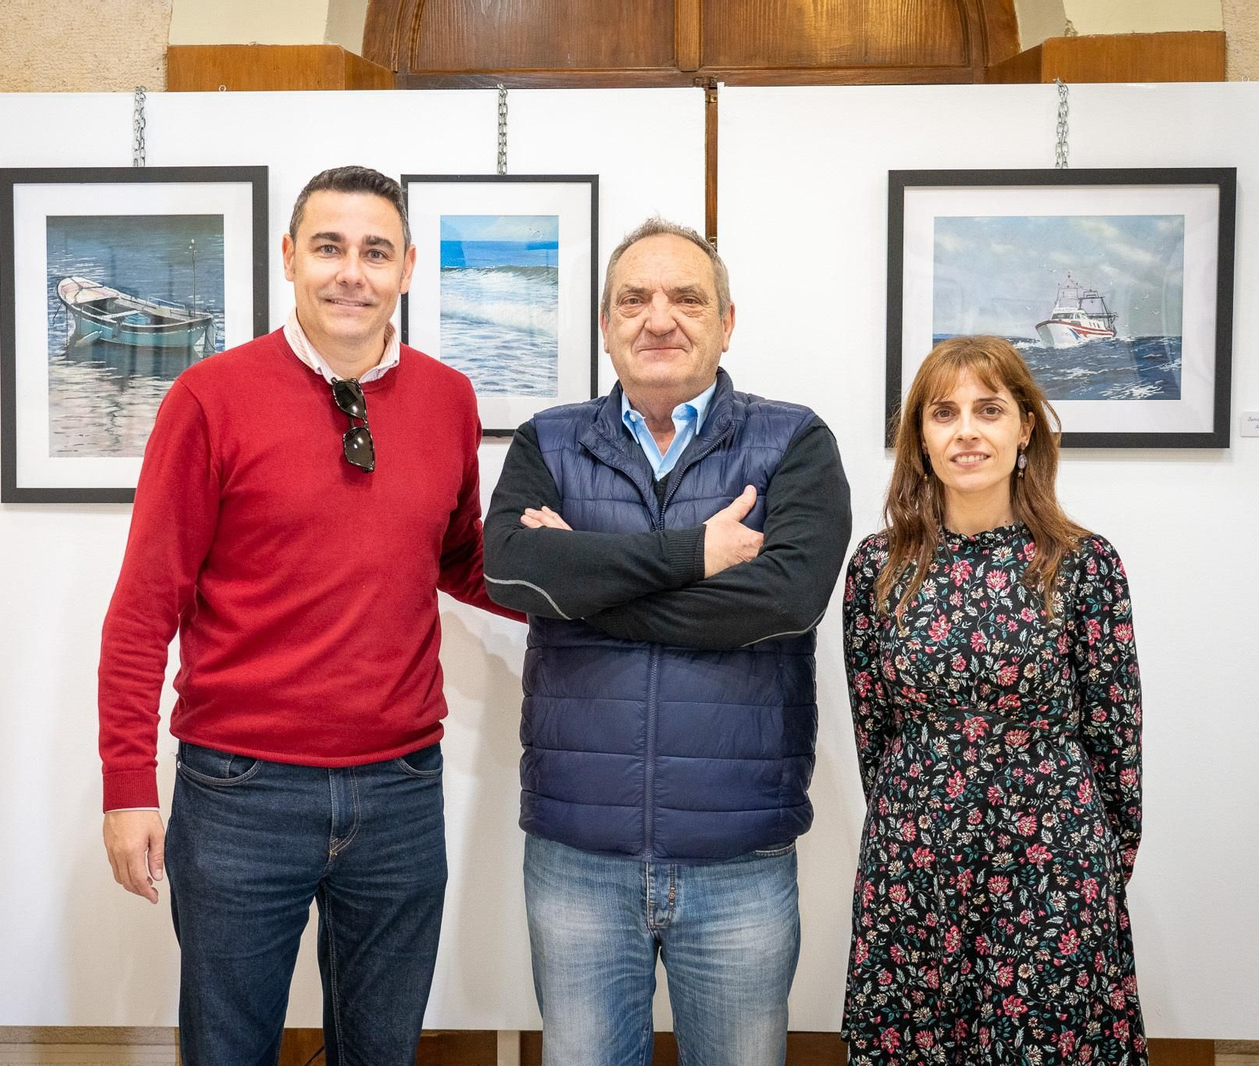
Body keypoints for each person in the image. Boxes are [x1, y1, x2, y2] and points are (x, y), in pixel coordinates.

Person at [97, 165, 521, 1066]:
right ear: (289, 258)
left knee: (380, 1050)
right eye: (328, 247)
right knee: (227, 1047)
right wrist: (128, 785)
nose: (350, 273)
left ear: (407, 266)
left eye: (374, 251)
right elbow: (143, 608)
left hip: (401, 789)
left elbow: (458, 558)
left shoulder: (449, 400)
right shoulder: (209, 399)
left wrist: (593, 579)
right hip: (241, 793)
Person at [483, 218, 853, 1065]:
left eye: (687, 298)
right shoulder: (548, 440)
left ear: (727, 322)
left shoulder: (794, 442)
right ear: (606, 326)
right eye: (634, 300)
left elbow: (785, 602)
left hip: (740, 860)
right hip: (577, 854)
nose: (659, 318)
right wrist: (695, 556)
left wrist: (582, 583)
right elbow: (509, 573)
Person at [840, 335, 1146, 1064]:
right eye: (943, 413)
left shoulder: (1082, 563)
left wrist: (1099, 864)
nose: (967, 431)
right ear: (919, 435)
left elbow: (1116, 738)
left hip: (1053, 866)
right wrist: (912, 830)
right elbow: (873, 734)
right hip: (913, 868)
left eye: (989, 409)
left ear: (1025, 427)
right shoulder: (878, 568)